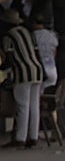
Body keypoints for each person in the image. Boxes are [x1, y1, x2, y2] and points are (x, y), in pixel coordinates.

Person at [0, 10, 45, 148]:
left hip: (22, 72)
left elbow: (10, 59)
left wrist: (3, 69)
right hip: (37, 70)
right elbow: (37, 53)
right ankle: (33, 137)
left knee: (22, 105)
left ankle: (20, 138)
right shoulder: (28, 33)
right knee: (34, 105)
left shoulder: (8, 37)